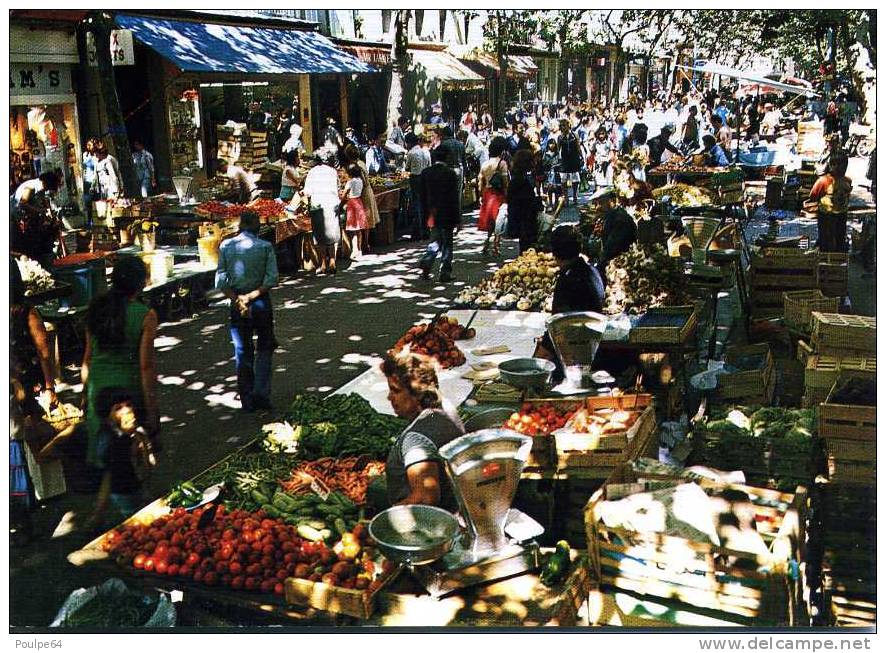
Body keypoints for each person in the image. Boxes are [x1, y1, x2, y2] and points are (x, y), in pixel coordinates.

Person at [82, 256, 159, 469]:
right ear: (140, 283)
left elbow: (87, 359)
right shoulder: (146, 315)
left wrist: (85, 394)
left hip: (98, 389)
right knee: (129, 461)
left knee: (106, 458)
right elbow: (146, 366)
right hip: (127, 393)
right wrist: (152, 408)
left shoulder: (96, 309)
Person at [380, 350, 465, 509]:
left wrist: (385, 519)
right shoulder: (446, 407)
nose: (389, 397)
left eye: (396, 390)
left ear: (417, 393)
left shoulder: (415, 440)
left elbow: (425, 498)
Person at [215, 211, 279, 412]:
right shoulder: (265, 247)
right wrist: (251, 296)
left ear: (239, 226)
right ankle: (261, 393)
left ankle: (247, 397)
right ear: (258, 228)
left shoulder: (226, 246)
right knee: (265, 347)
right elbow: (272, 279)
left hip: (237, 304)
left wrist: (237, 299)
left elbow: (220, 281)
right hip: (260, 302)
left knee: (242, 350)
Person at [533, 225, 605, 374]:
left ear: (555, 253)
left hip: (572, 354)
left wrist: (537, 359)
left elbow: (560, 325)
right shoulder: (592, 271)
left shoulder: (567, 281)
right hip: (591, 343)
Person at [88, 387, 156, 526]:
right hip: (123, 489)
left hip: (138, 481)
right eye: (118, 408)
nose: (126, 410)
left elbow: (150, 461)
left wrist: (141, 441)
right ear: (108, 416)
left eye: (128, 405)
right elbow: (111, 473)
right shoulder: (109, 439)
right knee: (135, 518)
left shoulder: (135, 430)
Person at [419, 155, 460, 282]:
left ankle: (427, 260)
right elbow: (454, 198)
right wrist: (458, 218)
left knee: (435, 239)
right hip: (447, 213)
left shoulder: (426, 173)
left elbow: (422, 196)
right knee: (447, 244)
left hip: (433, 212)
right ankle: (445, 272)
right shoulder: (450, 173)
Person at [300, 152, 342, 274]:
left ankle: (323, 263)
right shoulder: (333, 171)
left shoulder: (312, 172)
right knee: (332, 233)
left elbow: (307, 191)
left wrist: (302, 192)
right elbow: (338, 187)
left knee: (320, 235)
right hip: (332, 203)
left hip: (317, 205)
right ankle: (333, 261)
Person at [10, 172, 61, 267]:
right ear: (46, 183)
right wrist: (39, 211)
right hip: (13, 218)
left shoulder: (41, 190)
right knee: (20, 246)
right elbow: (22, 203)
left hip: (24, 219)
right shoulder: (31, 187)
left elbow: (40, 205)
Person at [807, 151, 852, 253]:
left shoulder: (847, 181)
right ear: (831, 165)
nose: (842, 168)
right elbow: (813, 195)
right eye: (838, 165)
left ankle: (838, 259)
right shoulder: (824, 181)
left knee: (840, 237)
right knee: (826, 239)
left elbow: (847, 195)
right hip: (826, 216)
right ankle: (825, 260)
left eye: (844, 165)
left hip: (841, 214)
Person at [593, 187, 637, 279]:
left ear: (613, 201)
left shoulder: (620, 220)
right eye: (596, 204)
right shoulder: (611, 216)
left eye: (601, 203)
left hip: (620, 268)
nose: (597, 207)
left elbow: (611, 250)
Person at [477, 136, 510, 257]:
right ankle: (496, 245)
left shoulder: (485, 164)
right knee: (499, 220)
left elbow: (480, 180)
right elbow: (505, 182)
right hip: (498, 194)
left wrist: (481, 194)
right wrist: (507, 195)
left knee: (490, 221)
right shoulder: (502, 164)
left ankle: (486, 243)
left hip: (487, 193)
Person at [344, 144, 380, 253]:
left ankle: (364, 244)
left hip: (363, 194)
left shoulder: (357, 166)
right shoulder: (361, 163)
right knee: (365, 220)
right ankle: (365, 244)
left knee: (363, 221)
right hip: (365, 191)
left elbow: (363, 181)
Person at [507, 149, 543, 254]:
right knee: (527, 249)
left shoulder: (517, 178)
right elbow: (526, 202)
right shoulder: (521, 181)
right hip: (525, 222)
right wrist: (538, 202)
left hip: (520, 220)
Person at [434, 126, 467, 218]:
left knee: (447, 195)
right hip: (459, 170)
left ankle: (449, 217)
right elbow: (464, 161)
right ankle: (458, 218)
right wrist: (466, 176)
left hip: (448, 170)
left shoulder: (443, 144)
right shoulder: (460, 144)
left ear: (444, 134)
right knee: (458, 195)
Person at [405, 133, 432, 240]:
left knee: (416, 205)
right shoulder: (425, 152)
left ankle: (417, 233)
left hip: (415, 179)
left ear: (409, 143)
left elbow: (407, 168)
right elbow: (429, 166)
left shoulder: (411, 153)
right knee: (424, 205)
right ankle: (426, 231)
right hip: (425, 178)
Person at [342, 164, 369, 260]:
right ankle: (359, 249)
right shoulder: (360, 180)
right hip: (359, 202)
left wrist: (342, 202)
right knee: (359, 229)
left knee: (353, 229)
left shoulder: (350, 182)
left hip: (352, 203)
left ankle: (354, 250)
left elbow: (344, 194)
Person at [559, 119, 584, 205]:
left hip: (574, 159)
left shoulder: (575, 135)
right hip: (564, 160)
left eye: (564, 125)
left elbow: (578, 146)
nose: (563, 127)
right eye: (561, 125)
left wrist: (581, 156)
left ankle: (575, 196)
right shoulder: (560, 137)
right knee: (563, 180)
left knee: (575, 179)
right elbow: (558, 149)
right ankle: (566, 197)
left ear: (568, 125)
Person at [542, 138, 562, 211]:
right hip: (548, 174)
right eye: (550, 143)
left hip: (556, 173)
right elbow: (543, 163)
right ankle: (550, 203)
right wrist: (548, 165)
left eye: (553, 143)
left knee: (556, 189)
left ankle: (556, 202)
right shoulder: (546, 153)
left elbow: (560, 162)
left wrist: (556, 165)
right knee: (549, 189)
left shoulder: (557, 153)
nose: (552, 145)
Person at [81, 138, 98, 224]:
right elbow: (83, 167)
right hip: (86, 181)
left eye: (90, 145)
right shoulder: (85, 155)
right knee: (87, 202)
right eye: (88, 145)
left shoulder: (96, 156)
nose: (88, 147)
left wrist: (94, 184)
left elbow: (96, 171)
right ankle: (88, 221)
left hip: (93, 181)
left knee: (94, 202)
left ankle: (94, 221)